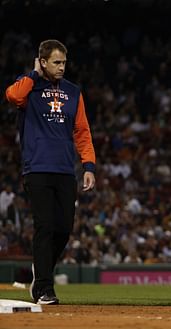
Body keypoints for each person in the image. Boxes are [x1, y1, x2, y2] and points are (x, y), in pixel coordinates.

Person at [5, 39, 96, 305]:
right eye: (56, 62)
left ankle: (40, 268)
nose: (61, 68)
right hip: (37, 168)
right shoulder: (29, 88)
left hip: (66, 169)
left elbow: (82, 131)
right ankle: (44, 287)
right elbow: (12, 96)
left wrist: (88, 166)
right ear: (43, 62)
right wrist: (34, 74)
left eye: (64, 62)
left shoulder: (73, 91)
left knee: (64, 228)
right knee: (44, 226)